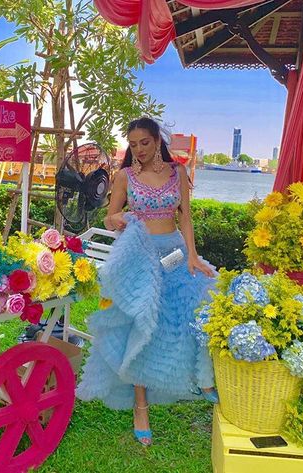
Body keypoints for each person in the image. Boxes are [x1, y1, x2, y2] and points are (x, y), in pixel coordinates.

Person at [76, 117, 218, 447]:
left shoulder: (177, 172)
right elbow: (110, 218)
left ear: (157, 141)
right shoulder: (125, 176)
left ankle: (203, 378)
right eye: (134, 144)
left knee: (195, 311)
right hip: (141, 256)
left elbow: (185, 216)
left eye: (145, 143)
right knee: (142, 328)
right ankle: (141, 407)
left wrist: (193, 255)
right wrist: (123, 218)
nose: (139, 150)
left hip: (176, 254)